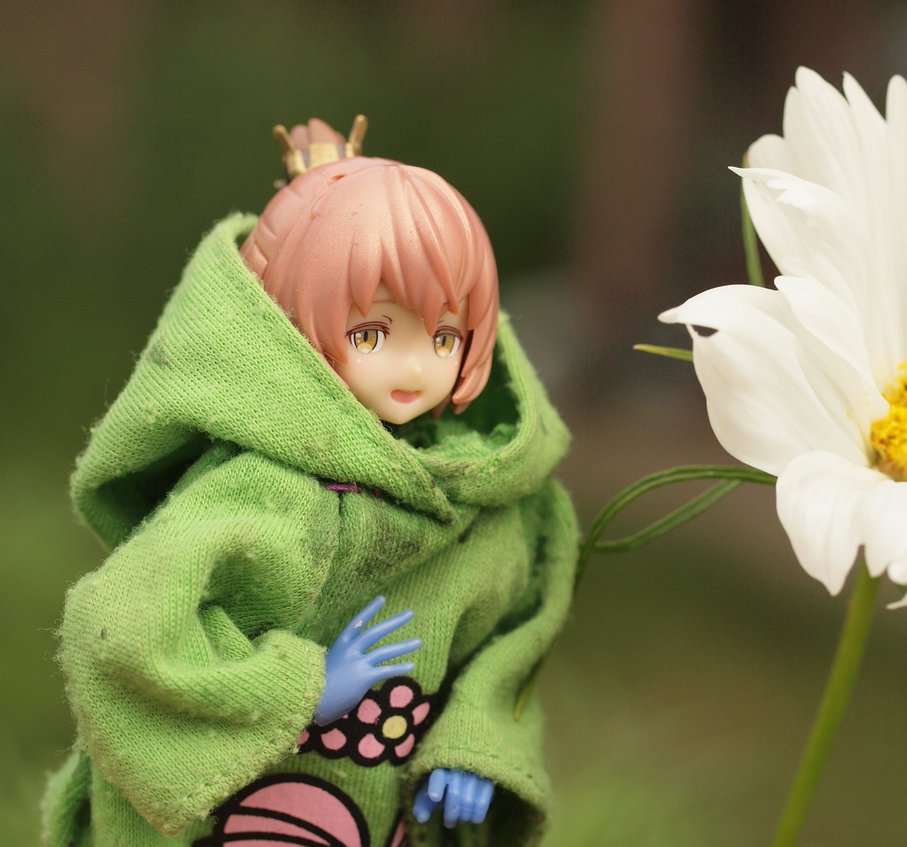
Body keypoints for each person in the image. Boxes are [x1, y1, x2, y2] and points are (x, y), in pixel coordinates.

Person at [43, 117, 577, 847]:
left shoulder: (485, 501)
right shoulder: (258, 494)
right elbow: (127, 633)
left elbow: (517, 635)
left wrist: (477, 743)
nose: (414, 366)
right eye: (371, 334)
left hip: (391, 811)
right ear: (293, 329)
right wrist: (303, 691)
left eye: (445, 336)